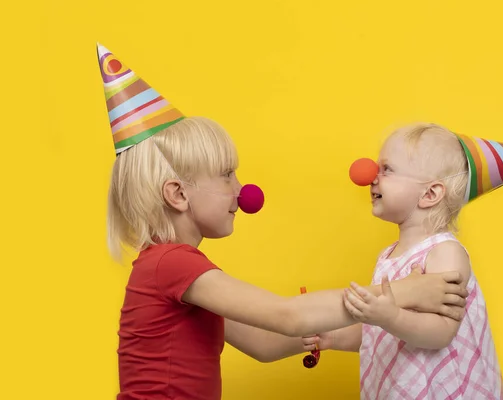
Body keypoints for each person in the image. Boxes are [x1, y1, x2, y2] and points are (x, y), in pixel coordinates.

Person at [96, 44, 469, 400]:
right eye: (227, 175)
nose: (243, 190)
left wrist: (332, 335)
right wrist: (406, 292)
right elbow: (287, 316)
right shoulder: (171, 264)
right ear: (178, 195)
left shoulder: (175, 269)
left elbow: (264, 343)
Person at [303, 122, 503, 399]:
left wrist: (390, 316)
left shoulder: (446, 253)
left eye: (387, 169)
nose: (371, 175)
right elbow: (381, 334)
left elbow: (441, 333)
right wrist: (334, 338)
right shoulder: (388, 257)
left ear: (430, 194)